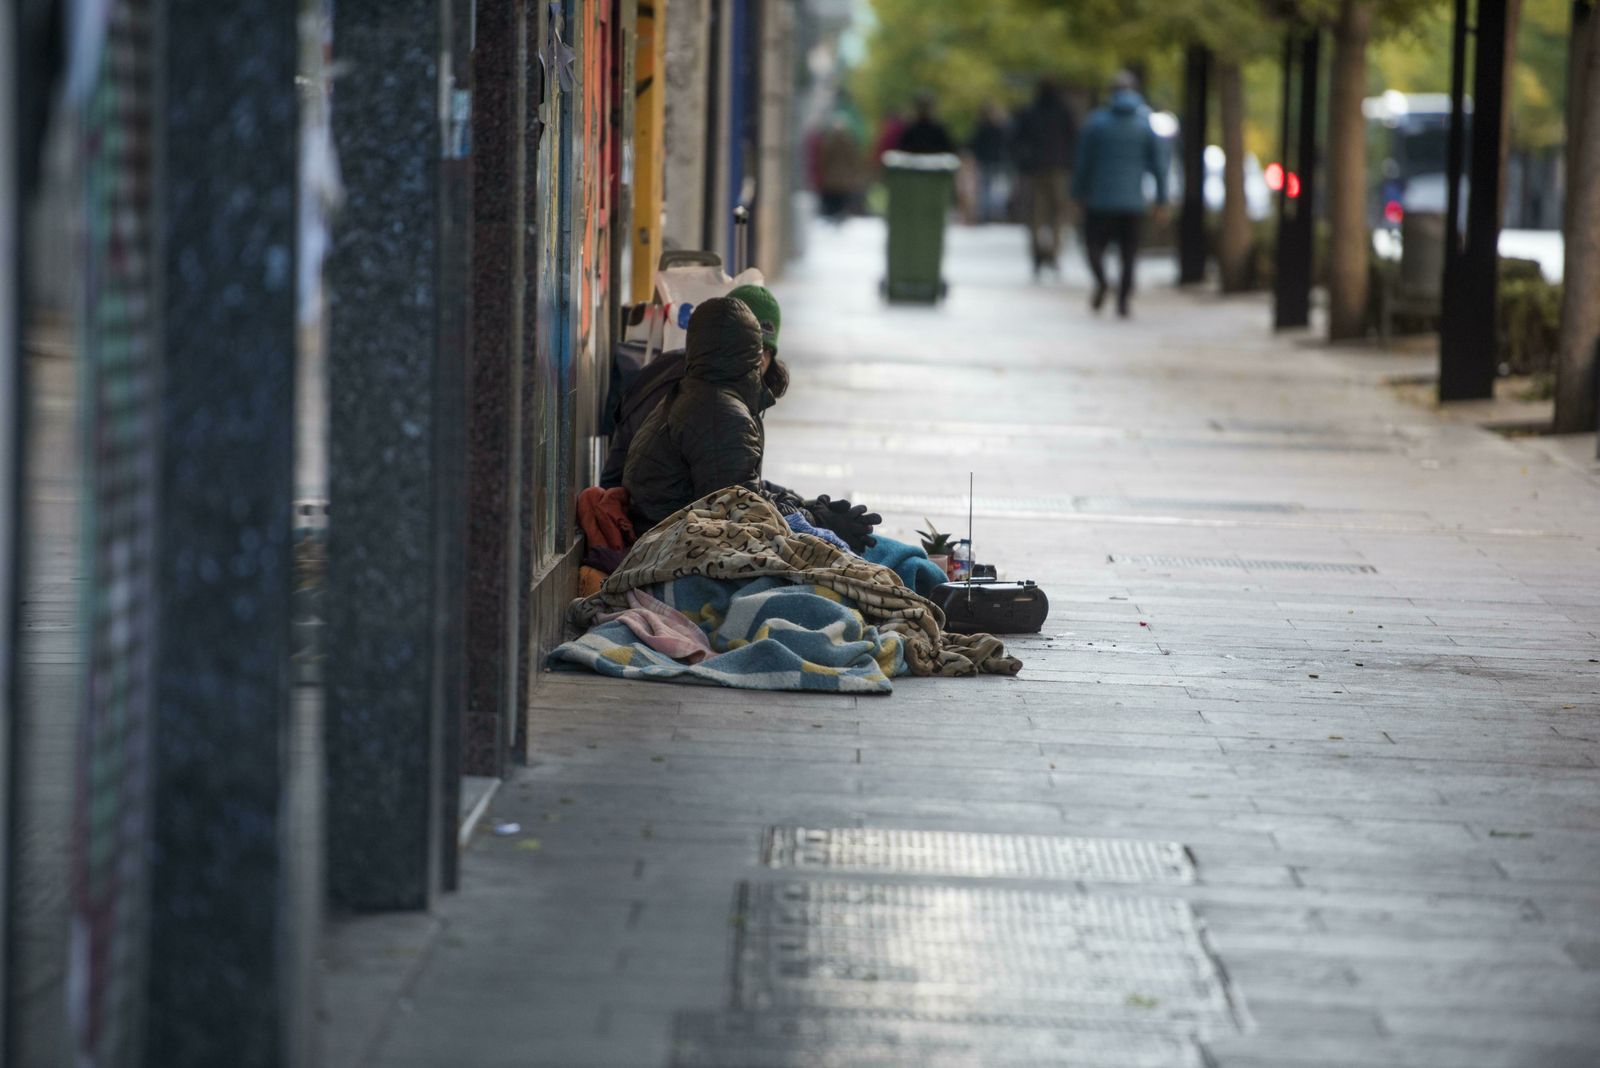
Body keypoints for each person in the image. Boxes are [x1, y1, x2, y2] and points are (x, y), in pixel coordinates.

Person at [614, 287, 881, 549]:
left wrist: (804, 506)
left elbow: (740, 486)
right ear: (749, 351)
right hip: (677, 551)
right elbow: (743, 513)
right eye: (760, 351)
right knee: (876, 555)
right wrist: (819, 520)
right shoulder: (720, 413)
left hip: (668, 538)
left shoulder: (695, 392)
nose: (764, 362)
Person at [1072, 71, 1169, 317]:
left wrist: (1077, 193)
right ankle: (1123, 301)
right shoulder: (1145, 124)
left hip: (1100, 200)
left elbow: (1083, 162)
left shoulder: (1096, 122)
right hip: (1132, 202)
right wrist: (1161, 199)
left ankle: (1102, 280)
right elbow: (1159, 165)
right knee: (1129, 254)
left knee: (1093, 244)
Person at [1011, 78, 1078, 276]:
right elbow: (1073, 139)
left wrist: (1023, 161)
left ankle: (1038, 253)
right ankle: (1054, 253)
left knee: (1036, 215)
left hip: (1035, 168)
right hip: (1058, 167)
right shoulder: (1064, 112)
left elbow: (1016, 139)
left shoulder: (1030, 111)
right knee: (1059, 214)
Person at [813, 117, 865, 222]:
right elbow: (853, 160)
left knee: (833, 203)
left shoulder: (829, 142)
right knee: (841, 201)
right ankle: (840, 218)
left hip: (831, 178)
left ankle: (833, 219)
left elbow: (823, 160)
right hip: (844, 178)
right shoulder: (848, 142)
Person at [966, 102, 1010, 224]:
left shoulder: (981, 127)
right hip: (995, 161)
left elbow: (974, 144)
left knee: (987, 189)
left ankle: (987, 215)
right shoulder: (999, 128)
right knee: (995, 188)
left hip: (987, 161)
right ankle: (995, 214)